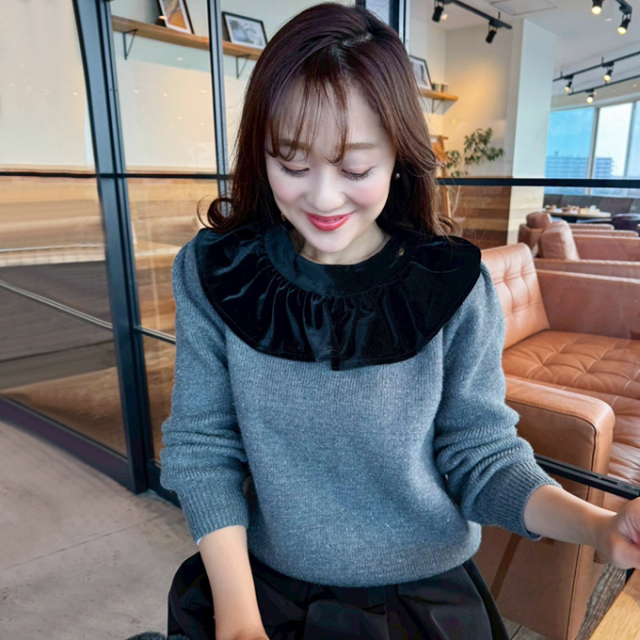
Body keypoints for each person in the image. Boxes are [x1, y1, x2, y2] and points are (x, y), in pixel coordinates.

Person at [159, 4, 640, 640]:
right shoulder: (219, 275)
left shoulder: (449, 286)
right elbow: (203, 450)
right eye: (292, 164)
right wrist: (240, 620)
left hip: (423, 604)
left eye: (356, 168)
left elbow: (482, 457)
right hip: (262, 593)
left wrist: (602, 528)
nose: (323, 197)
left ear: (397, 155)